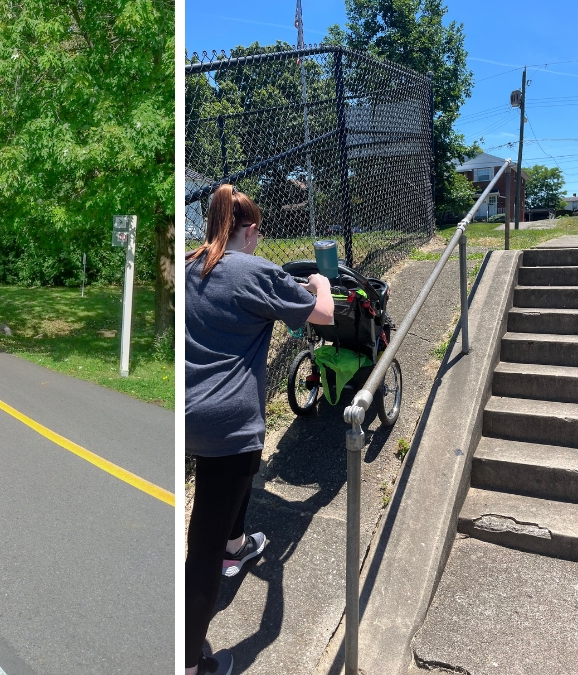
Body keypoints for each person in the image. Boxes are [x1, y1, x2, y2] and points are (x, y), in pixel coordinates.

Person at [184, 184, 335, 675]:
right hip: (231, 420)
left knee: (236, 481)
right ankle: (188, 661)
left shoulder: (188, 266)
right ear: (248, 230)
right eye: (258, 233)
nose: (258, 241)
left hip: (189, 414)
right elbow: (325, 315)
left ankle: (237, 546)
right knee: (201, 549)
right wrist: (321, 283)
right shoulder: (255, 270)